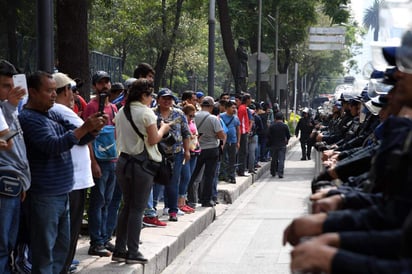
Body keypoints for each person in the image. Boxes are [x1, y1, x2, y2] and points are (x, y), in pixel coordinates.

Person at [18, 71, 104, 273]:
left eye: (54, 91)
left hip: (62, 191)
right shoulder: (28, 118)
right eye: (48, 91)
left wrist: (93, 129)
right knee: (44, 251)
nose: (53, 95)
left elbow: (79, 140)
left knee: (61, 247)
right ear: (33, 92)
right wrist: (84, 129)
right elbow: (52, 145)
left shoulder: (54, 113)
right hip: (44, 194)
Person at [112, 78, 170, 264]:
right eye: (151, 94)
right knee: (138, 209)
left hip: (123, 162)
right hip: (142, 165)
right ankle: (133, 251)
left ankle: (120, 249)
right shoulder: (146, 113)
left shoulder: (121, 111)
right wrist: (164, 129)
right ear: (144, 95)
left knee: (127, 206)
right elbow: (154, 140)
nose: (152, 98)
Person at [51, 72, 95, 274]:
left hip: (72, 178)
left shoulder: (59, 110)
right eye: (73, 90)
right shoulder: (61, 110)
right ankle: (63, 266)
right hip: (73, 179)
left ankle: (64, 264)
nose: (75, 96)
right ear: (66, 90)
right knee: (68, 230)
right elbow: (87, 132)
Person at [82, 71, 118, 257]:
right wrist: (93, 162)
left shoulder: (113, 108)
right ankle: (96, 242)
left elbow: (116, 134)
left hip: (112, 160)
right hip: (99, 161)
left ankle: (104, 238)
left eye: (107, 82)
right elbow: (87, 136)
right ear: (95, 86)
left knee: (108, 201)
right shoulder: (91, 107)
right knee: (98, 201)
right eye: (101, 82)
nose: (104, 85)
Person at [0, 60, 31, 274]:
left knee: (9, 241)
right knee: (3, 243)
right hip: (5, 182)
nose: (10, 91)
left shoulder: (7, 108)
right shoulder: (5, 108)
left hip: (14, 182)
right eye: (4, 85)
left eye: (12, 85)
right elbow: (8, 142)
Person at [152, 88, 191, 221]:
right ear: (158, 100)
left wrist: (187, 151)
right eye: (164, 98)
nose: (167, 101)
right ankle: (151, 210)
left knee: (173, 182)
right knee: (156, 182)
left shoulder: (179, 114)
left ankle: (173, 210)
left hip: (176, 153)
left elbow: (186, 133)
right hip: (156, 152)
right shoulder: (152, 114)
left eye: (170, 99)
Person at [187, 96, 226, 208]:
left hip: (196, 148)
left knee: (193, 174)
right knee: (209, 176)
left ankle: (190, 199)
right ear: (211, 107)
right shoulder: (213, 118)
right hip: (212, 149)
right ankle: (206, 200)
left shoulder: (194, 116)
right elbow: (221, 135)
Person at [179, 104, 199, 212]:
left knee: (189, 177)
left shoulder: (192, 122)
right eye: (190, 116)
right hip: (184, 151)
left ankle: (183, 201)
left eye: (193, 116)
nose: (191, 118)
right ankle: (180, 202)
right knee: (185, 177)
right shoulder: (183, 123)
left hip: (194, 150)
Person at [219, 100, 240, 184]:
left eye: (235, 107)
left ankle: (232, 176)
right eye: (232, 107)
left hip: (233, 141)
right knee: (224, 159)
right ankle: (224, 175)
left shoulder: (236, 118)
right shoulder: (221, 116)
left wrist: (238, 141)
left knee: (232, 159)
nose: (234, 109)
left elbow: (238, 130)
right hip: (224, 142)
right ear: (226, 108)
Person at [267, 112, 290, 178]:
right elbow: (288, 135)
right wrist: (287, 141)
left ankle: (273, 172)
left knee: (274, 159)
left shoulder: (272, 126)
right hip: (282, 145)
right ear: (282, 118)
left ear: (275, 118)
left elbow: (268, 135)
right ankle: (280, 173)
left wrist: (271, 141)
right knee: (281, 159)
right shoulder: (285, 126)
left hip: (274, 145)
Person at [237, 93, 252, 176]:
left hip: (244, 132)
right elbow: (239, 121)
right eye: (250, 99)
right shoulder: (242, 108)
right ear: (247, 100)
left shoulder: (244, 108)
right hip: (242, 133)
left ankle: (242, 169)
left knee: (244, 152)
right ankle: (241, 170)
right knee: (243, 152)